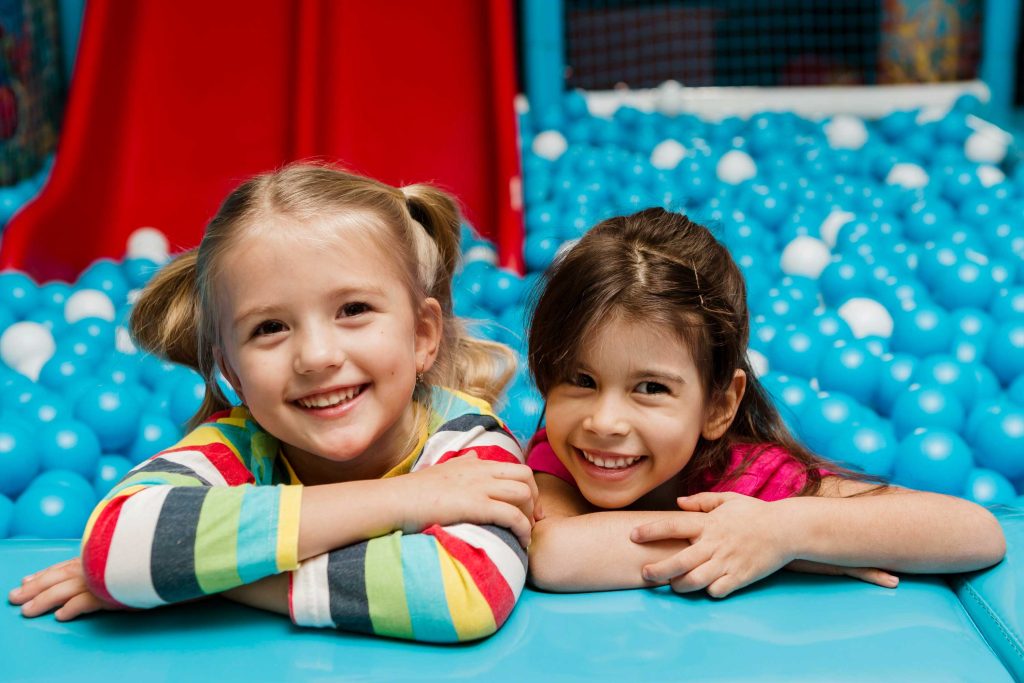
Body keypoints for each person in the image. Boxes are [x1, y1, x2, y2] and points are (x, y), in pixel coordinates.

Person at [9, 163, 538, 642]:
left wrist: (199, 578)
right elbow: (115, 546)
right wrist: (407, 501)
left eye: (353, 309)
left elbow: (462, 593)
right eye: (270, 327)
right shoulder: (240, 444)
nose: (316, 356)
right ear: (232, 371)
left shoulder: (468, 444)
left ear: (423, 335)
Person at [525, 207, 1006, 596]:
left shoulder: (749, 478)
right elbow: (554, 553)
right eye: (581, 379)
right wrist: (756, 545)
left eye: (651, 388)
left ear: (718, 406)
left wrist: (784, 534)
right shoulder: (563, 456)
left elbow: (976, 532)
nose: (604, 421)